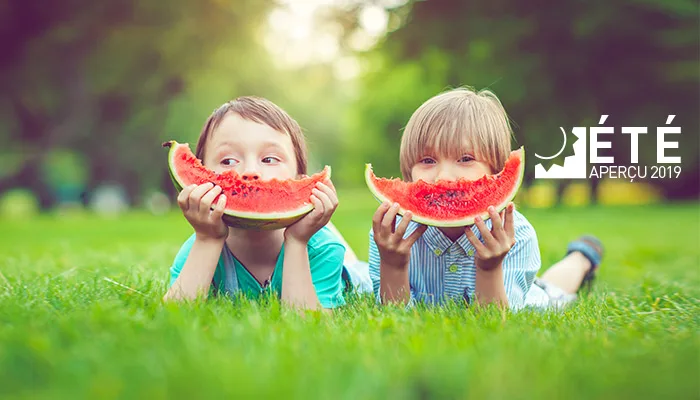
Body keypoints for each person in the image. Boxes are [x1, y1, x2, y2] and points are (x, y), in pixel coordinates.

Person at [368, 87, 604, 310]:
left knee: (552, 293)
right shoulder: (390, 235)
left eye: (466, 158)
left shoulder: (516, 236)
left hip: (520, 297)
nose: (444, 177)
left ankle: (582, 256)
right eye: (428, 161)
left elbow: (496, 321)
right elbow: (395, 315)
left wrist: (490, 269)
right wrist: (393, 265)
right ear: (409, 172)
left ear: (496, 171)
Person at [164, 96, 350, 312]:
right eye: (228, 161)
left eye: (269, 159)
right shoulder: (198, 247)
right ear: (203, 176)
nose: (250, 171)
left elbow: (308, 326)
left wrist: (298, 241)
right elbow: (174, 317)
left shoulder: (322, 248)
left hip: (348, 269)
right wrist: (208, 240)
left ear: (300, 179)